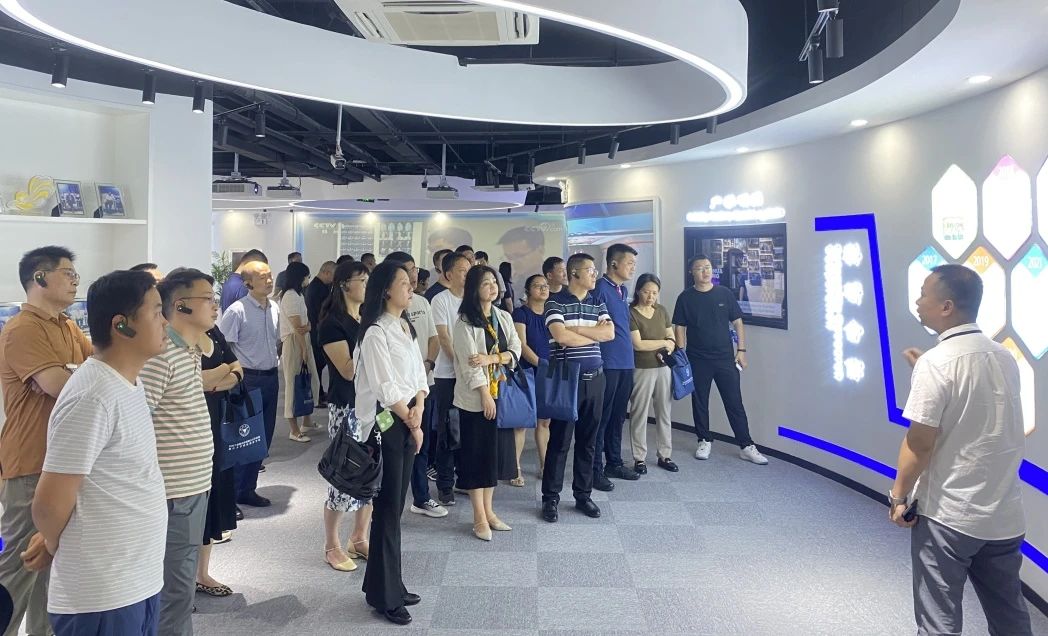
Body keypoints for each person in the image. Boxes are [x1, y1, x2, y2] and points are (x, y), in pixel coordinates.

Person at [890, 265, 1033, 636]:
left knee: (939, 622)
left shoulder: (937, 364)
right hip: (1004, 515)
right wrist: (925, 368)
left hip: (948, 517)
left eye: (924, 294)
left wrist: (899, 496)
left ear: (947, 306)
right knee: (1010, 617)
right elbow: (974, 402)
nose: (917, 302)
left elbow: (919, 443)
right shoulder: (1004, 357)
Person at [28, 270, 168, 636]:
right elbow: (48, 504)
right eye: (156, 312)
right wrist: (55, 543)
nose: (165, 322)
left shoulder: (127, 382)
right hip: (102, 594)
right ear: (121, 325)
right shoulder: (92, 395)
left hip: (135, 581)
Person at [0, 246, 91, 636]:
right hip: (30, 462)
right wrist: (71, 375)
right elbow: (60, 386)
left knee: (51, 565)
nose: (74, 281)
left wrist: (73, 373)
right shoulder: (23, 329)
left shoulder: (66, 325)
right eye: (67, 274)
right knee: (18, 566)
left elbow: (98, 373)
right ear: (39, 278)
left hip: (60, 461)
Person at [140, 268, 220, 636]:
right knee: (174, 591)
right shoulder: (161, 356)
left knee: (179, 585)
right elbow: (137, 422)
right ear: (182, 306)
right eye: (208, 299)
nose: (215, 305)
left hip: (191, 485)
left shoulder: (188, 349)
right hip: (173, 491)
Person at [355, 262, 428, 626]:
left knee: (394, 507)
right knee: (387, 509)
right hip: (387, 420)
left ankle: (386, 585)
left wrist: (420, 407)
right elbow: (385, 387)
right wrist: (411, 421)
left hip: (408, 416)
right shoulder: (375, 332)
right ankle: (386, 595)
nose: (410, 287)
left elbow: (418, 374)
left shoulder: (404, 326)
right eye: (403, 283)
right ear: (385, 289)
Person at [672, 255, 768, 465]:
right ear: (692, 272)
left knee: (734, 402)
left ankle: (746, 445)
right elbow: (680, 326)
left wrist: (741, 350)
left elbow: (738, 322)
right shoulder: (685, 297)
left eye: (708, 267)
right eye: (699, 268)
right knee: (700, 402)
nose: (705, 271)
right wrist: (681, 355)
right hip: (697, 359)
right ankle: (704, 440)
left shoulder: (724, 293)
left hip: (725, 359)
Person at [540, 253, 613, 523]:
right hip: (566, 381)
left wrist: (577, 332)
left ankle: (583, 495)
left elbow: (609, 334)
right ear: (574, 273)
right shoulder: (555, 301)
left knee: (588, 441)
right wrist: (591, 332)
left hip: (596, 378)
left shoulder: (598, 301)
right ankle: (550, 498)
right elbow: (560, 336)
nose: (595, 274)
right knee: (559, 442)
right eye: (590, 270)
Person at [452, 265, 522, 541]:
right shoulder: (465, 323)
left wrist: (492, 358)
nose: (492, 287)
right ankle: (478, 517)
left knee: (492, 458)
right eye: (485, 283)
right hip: (475, 399)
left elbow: (515, 350)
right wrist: (484, 394)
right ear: (473, 289)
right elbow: (470, 365)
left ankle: (490, 512)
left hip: (500, 393)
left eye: (494, 282)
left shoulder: (503, 316)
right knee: (476, 457)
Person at [317, 261, 374, 573]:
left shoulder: (366, 318)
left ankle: (359, 537)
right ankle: (332, 545)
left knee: (371, 474)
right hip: (346, 408)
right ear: (344, 285)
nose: (366, 285)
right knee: (344, 476)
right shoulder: (333, 324)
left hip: (372, 405)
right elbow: (348, 370)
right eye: (361, 280)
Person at [383, 253, 446, 520]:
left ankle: (421, 497)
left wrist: (428, 365)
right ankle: (383, 511)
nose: (413, 276)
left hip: (421, 388)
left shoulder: (420, 302)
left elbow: (433, 338)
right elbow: (383, 382)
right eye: (406, 272)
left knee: (420, 446)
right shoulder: (378, 326)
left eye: (414, 270)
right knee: (390, 455)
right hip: (391, 404)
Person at [218, 260, 280, 510]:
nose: (269, 280)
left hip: (271, 377)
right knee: (242, 437)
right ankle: (231, 496)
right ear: (248, 283)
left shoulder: (274, 308)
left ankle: (247, 490)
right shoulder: (237, 311)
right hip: (248, 380)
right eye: (262, 277)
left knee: (262, 437)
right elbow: (224, 347)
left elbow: (276, 341)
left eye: (270, 275)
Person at [195, 322, 242, 598]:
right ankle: (179, 583)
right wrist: (224, 371)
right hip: (190, 429)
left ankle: (202, 573)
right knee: (189, 505)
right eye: (206, 301)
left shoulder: (213, 332)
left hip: (217, 420)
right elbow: (197, 381)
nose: (213, 306)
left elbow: (239, 369)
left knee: (213, 496)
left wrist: (216, 380)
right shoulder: (174, 338)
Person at [592, 244, 641, 488]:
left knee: (619, 416)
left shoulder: (622, 290)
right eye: (629, 263)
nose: (633, 268)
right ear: (614, 264)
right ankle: (594, 469)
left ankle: (614, 462)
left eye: (634, 264)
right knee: (602, 418)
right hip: (608, 362)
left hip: (625, 361)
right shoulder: (600, 289)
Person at [430, 252, 470, 506]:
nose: (468, 274)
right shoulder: (440, 300)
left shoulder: (474, 299)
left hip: (472, 375)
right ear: (448, 274)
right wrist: (462, 367)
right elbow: (443, 338)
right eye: (462, 270)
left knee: (468, 428)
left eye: (469, 269)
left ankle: (464, 478)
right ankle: (445, 483)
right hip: (448, 375)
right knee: (448, 428)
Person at [627, 274, 678, 474]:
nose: (650, 297)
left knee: (664, 412)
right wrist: (664, 342)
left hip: (664, 368)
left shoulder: (662, 310)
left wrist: (668, 344)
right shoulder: (631, 313)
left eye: (655, 293)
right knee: (639, 412)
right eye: (646, 292)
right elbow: (638, 344)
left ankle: (665, 455)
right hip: (642, 369)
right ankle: (639, 458)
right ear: (638, 291)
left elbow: (672, 339)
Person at [512, 275, 552, 483]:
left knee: (544, 422)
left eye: (545, 286)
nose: (543, 289)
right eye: (538, 286)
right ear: (528, 291)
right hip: (527, 372)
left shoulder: (552, 313)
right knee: (521, 423)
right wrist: (540, 364)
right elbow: (521, 344)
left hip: (547, 373)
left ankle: (545, 465)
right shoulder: (521, 313)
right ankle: (515, 469)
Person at [277, 261, 319, 442]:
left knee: (309, 381)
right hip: (295, 343)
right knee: (294, 385)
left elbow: (305, 325)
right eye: (307, 276)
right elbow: (298, 328)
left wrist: (307, 328)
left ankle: (307, 420)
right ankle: (294, 430)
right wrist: (303, 350)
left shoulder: (298, 295)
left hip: (302, 341)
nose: (308, 279)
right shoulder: (290, 296)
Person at [305, 261, 335, 407]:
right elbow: (321, 312)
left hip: (316, 330)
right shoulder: (318, 289)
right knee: (317, 365)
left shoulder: (317, 286)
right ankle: (316, 395)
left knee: (318, 365)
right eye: (333, 275)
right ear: (326, 272)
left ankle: (319, 393)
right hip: (317, 331)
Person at [499, 226, 546, 297]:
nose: (513, 262)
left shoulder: (549, 279)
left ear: (540, 250)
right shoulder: (513, 279)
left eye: (518, 255)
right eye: (509, 257)